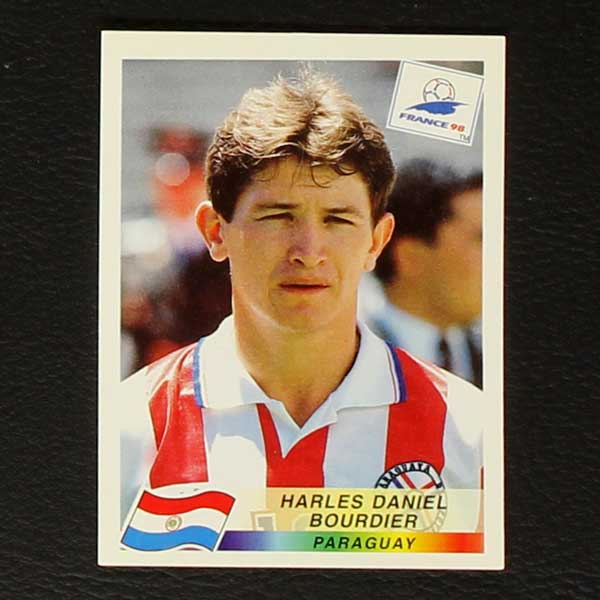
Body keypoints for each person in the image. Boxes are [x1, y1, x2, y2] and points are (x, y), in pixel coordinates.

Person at [120, 71, 483, 530]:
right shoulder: (125, 429)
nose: (308, 252)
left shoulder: (473, 434)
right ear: (216, 231)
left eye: (338, 220)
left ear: (377, 240)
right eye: (278, 216)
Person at [361, 159, 483, 387]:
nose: (498, 257)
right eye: (481, 239)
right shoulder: (345, 364)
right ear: (411, 257)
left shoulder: (493, 363)